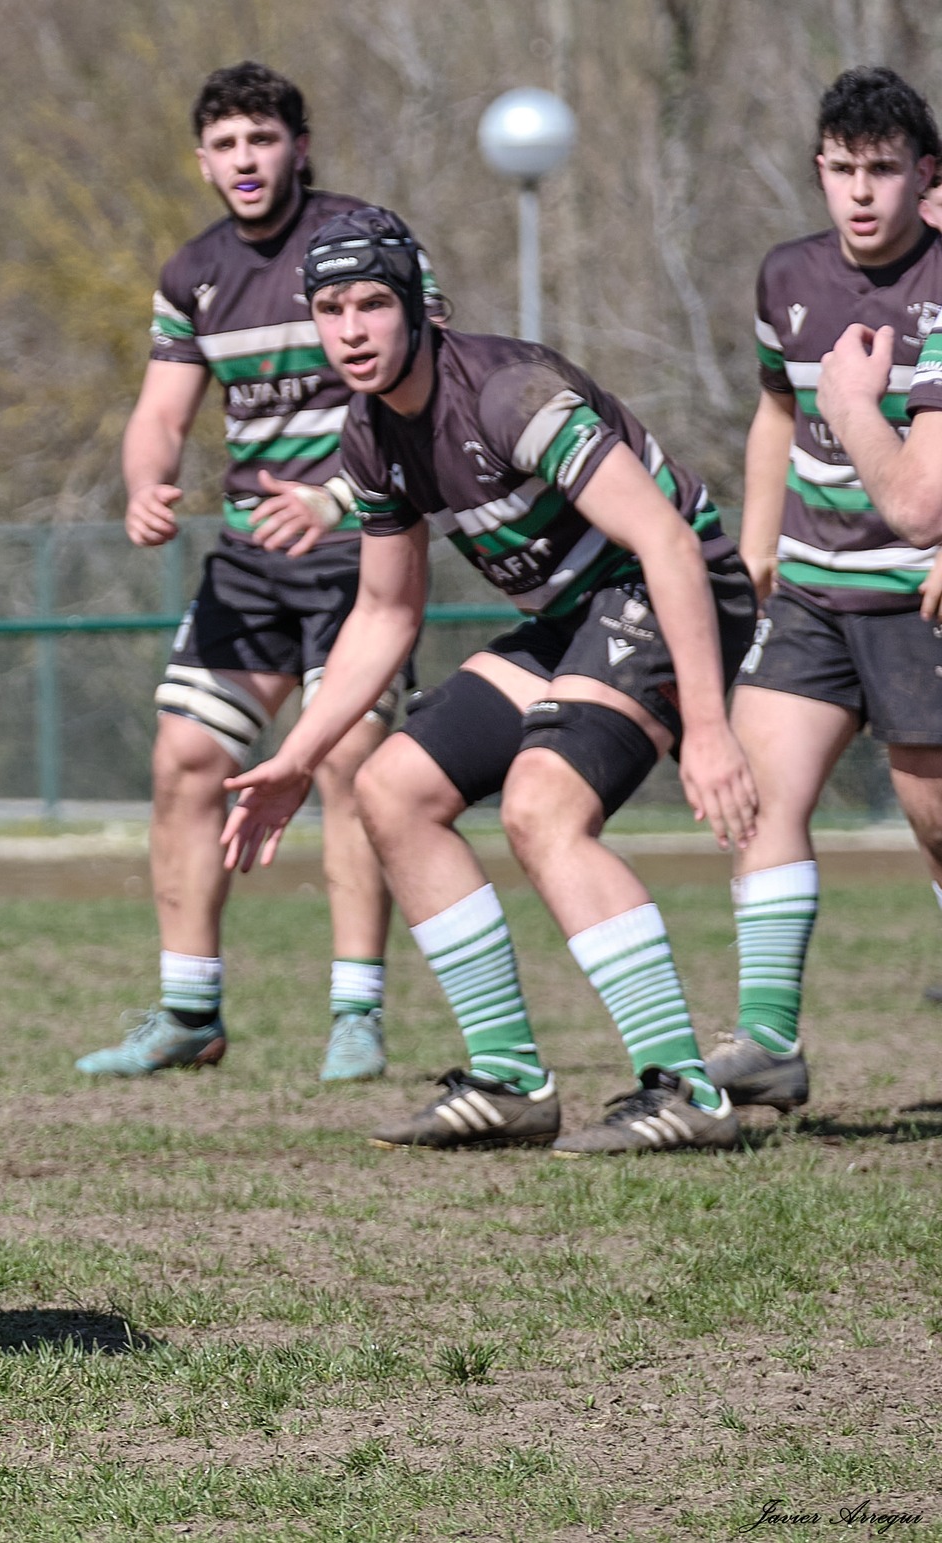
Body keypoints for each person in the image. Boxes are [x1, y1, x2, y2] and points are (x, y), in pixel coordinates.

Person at [222, 207, 760, 1154]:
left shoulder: (511, 396)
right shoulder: (372, 436)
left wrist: (709, 729)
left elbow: (670, 542)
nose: (351, 329)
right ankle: (511, 1080)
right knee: (391, 789)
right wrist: (297, 758)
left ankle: (685, 1087)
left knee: (541, 806)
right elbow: (386, 612)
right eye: (331, 307)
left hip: (675, 589)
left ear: (419, 307)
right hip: (573, 619)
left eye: (374, 303)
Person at [76, 61, 425, 1083]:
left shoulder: (365, 241)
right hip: (247, 565)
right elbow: (159, 414)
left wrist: (333, 497)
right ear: (201, 160)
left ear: (297, 147)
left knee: (350, 767)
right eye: (225, 145)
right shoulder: (192, 274)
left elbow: (427, 388)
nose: (244, 160)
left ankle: (353, 1012)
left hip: (363, 554)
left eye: (261, 140)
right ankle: (189, 1008)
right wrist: (144, 483)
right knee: (183, 758)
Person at [711, 68, 942, 1102]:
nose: (860, 192)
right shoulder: (783, 276)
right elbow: (773, 411)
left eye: (883, 171)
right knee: (758, 795)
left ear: (923, 175)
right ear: (817, 169)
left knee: (929, 815)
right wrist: (758, 542)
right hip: (810, 588)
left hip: (915, 592)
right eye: (841, 170)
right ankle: (765, 1042)